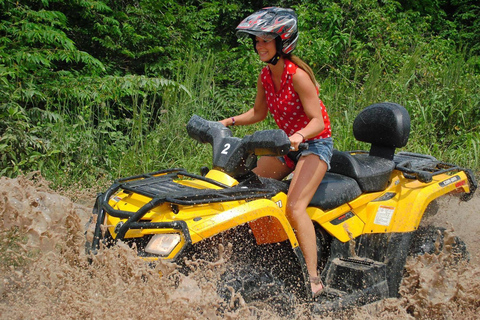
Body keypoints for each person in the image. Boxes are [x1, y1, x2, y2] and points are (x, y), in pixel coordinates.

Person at [219, 7, 333, 297]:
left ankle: (313, 279)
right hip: (287, 147)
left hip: (314, 145)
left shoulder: (298, 77)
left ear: (283, 42)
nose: (259, 46)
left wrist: (298, 136)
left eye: (265, 40)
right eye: (256, 41)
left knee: (295, 206)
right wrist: (226, 121)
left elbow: (318, 121)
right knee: (245, 188)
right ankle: (252, 254)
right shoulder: (266, 76)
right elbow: (258, 113)